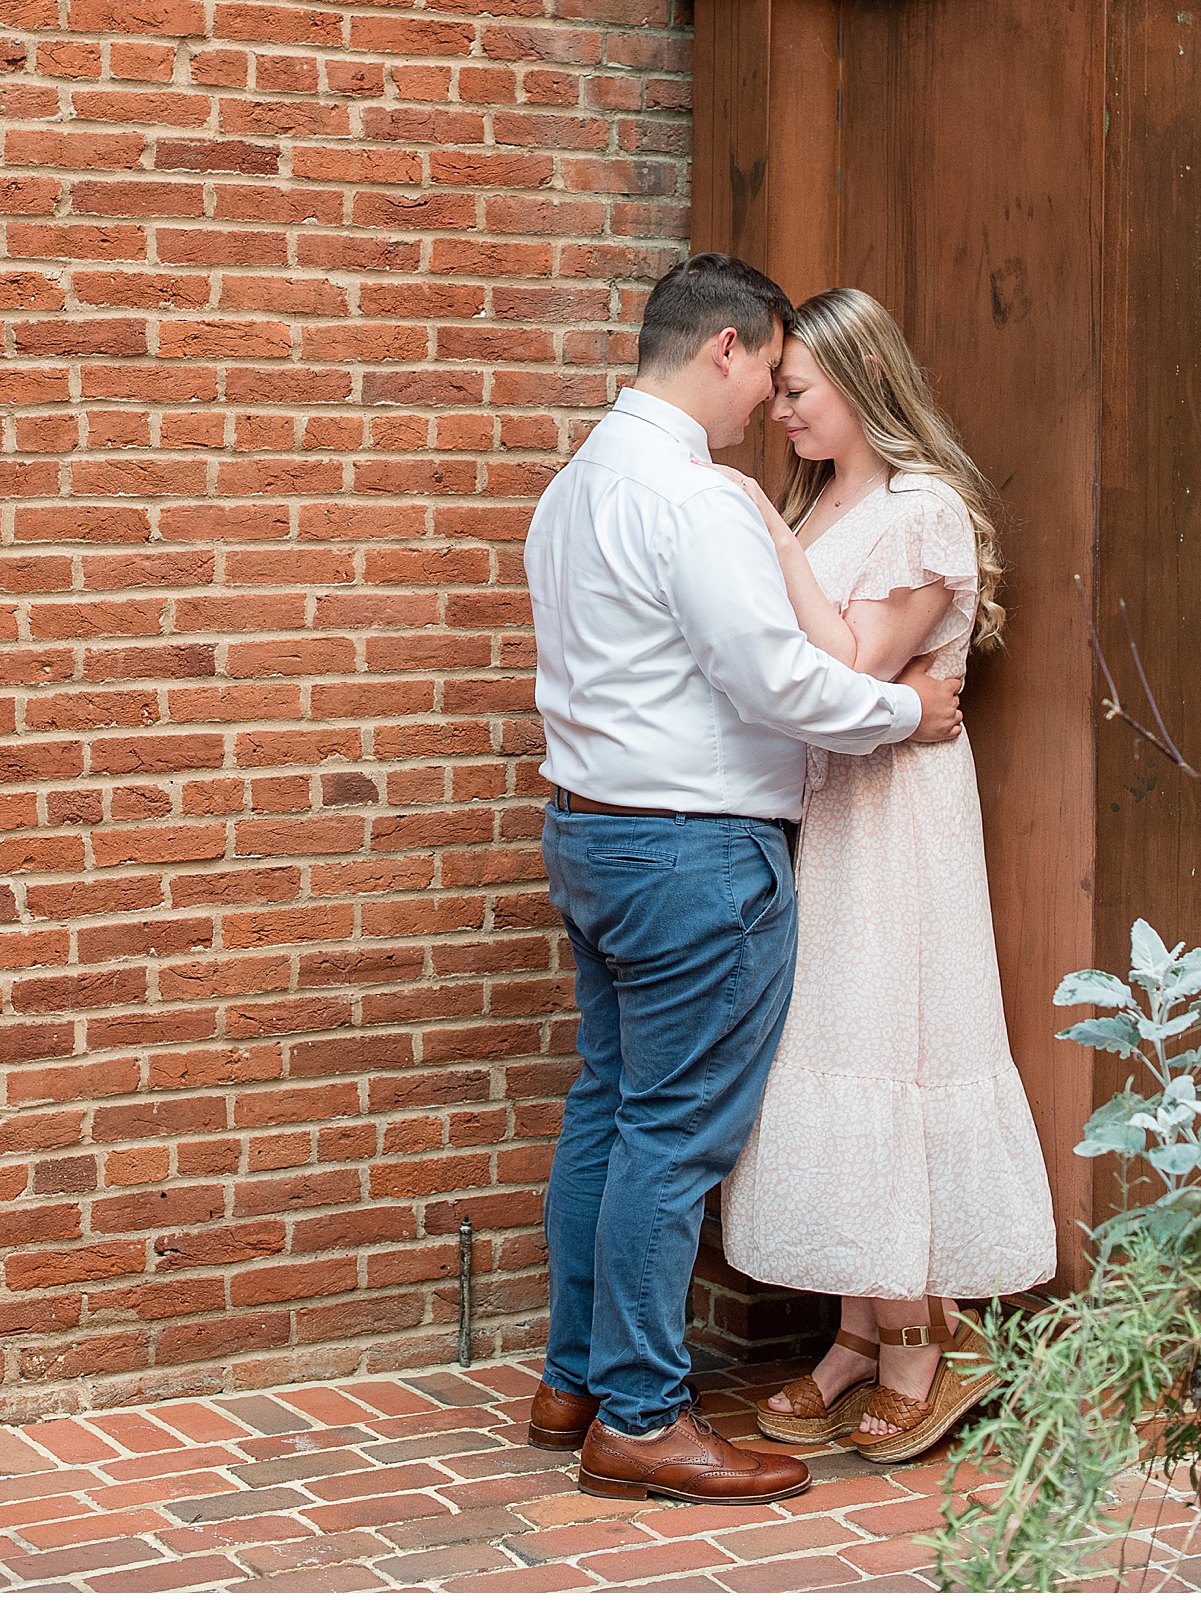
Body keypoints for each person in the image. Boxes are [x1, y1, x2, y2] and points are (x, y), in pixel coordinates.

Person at [521, 255, 966, 1506]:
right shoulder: (694, 498)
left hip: (591, 833)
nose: (770, 399)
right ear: (724, 347)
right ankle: (643, 1417)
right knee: (669, 1137)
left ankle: (574, 1380)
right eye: (770, 368)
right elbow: (777, 682)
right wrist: (904, 709)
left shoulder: (573, 486)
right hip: (691, 853)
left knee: (607, 1109)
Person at [720, 287, 1057, 1466]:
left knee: (898, 1036)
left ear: (861, 387)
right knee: (841, 1036)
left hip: (899, 817)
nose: (780, 414)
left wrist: (764, 533)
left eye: (798, 392)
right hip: (833, 809)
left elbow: (857, 663)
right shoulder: (825, 507)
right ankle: (861, 1328)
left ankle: (929, 1336)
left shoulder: (922, 513)